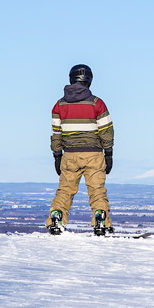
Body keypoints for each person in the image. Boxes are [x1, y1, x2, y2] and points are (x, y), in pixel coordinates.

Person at [47, 63, 115, 235]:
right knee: (97, 190)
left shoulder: (59, 106)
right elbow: (106, 131)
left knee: (65, 190)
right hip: (94, 154)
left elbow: (56, 134)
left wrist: (57, 155)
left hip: (69, 155)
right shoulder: (97, 103)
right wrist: (108, 153)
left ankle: (57, 217)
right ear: (89, 80)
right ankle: (101, 221)